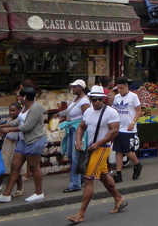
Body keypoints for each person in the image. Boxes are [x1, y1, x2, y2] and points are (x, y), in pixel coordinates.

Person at [67, 85, 128, 224]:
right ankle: (119, 198)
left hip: (102, 149)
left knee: (88, 179)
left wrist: (98, 143)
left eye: (100, 99)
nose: (97, 102)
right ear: (90, 99)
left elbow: (114, 131)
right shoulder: (88, 112)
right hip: (91, 148)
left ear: (104, 99)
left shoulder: (111, 112)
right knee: (103, 176)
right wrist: (78, 141)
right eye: (94, 100)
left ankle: (81, 214)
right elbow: (81, 127)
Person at [0, 87, 47, 203]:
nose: (19, 98)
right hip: (23, 140)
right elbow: (18, 121)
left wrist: (9, 130)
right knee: (15, 165)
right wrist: (2, 126)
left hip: (34, 140)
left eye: (20, 96)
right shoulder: (25, 107)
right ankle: (6, 194)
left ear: (25, 97)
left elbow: (27, 126)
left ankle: (39, 192)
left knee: (34, 166)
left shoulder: (36, 108)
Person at [60, 79, 91, 193]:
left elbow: (86, 117)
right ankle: (82, 176)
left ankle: (74, 184)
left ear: (81, 88)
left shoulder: (84, 101)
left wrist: (81, 135)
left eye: (75, 87)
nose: (73, 89)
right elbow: (70, 112)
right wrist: (60, 115)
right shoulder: (75, 99)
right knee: (70, 154)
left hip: (78, 130)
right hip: (71, 129)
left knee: (75, 157)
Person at [111, 76, 143, 183]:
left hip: (129, 129)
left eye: (121, 88)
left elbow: (138, 110)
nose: (119, 90)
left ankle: (137, 164)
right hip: (119, 128)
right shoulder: (117, 98)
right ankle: (118, 174)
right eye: (118, 88)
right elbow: (114, 111)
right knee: (118, 151)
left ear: (126, 86)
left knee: (127, 151)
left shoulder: (133, 96)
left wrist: (133, 123)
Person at [0, 102, 25, 197]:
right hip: (7, 147)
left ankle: (18, 189)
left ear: (19, 111)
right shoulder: (9, 121)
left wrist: (5, 132)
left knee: (15, 169)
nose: (11, 112)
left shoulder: (19, 122)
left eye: (13, 110)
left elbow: (15, 135)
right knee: (5, 169)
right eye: (10, 110)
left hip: (14, 147)